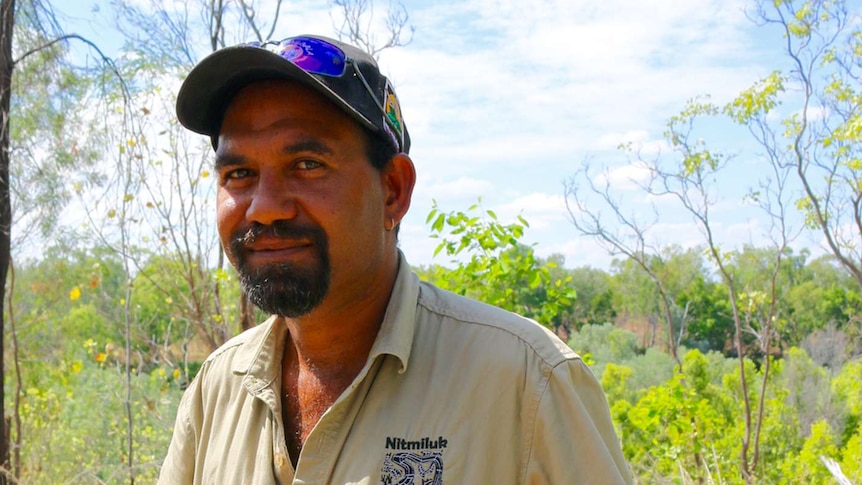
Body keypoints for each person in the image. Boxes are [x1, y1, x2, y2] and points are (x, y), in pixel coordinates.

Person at [158, 34, 632, 484]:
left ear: (393, 191)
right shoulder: (215, 391)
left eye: (307, 165)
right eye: (239, 173)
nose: (265, 206)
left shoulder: (527, 383)